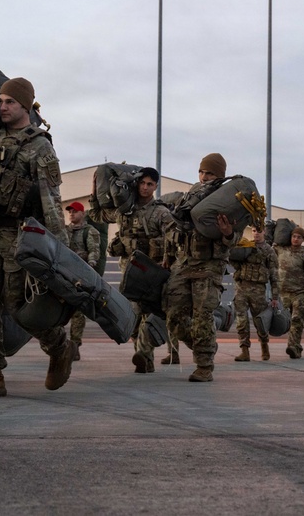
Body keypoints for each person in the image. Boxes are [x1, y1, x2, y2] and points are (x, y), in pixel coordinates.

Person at [0, 77, 74, 398]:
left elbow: (51, 202)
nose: (3, 107)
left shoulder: (40, 147)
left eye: (10, 102)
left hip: (17, 236)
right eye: (1, 101)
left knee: (17, 305)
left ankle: (59, 346)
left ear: (26, 107)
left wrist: (62, 256)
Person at [162, 153, 241, 382]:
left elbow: (233, 239)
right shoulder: (192, 195)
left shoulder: (226, 200)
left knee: (202, 316)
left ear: (220, 176)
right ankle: (202, 345)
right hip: (184, 262)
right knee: (173, 315)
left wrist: (228, 234)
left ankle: (204, 365)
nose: (204, 177)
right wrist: (168, 255)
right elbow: (174, 226)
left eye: (210, 173)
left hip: (208, 266)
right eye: (202, 171)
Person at [88, 166, 171, 374]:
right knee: (133, 316)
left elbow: (173, 238)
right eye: (142, 183)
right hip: (130, 271)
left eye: (149, 184)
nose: (145, 187)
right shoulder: (125, 209)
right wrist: (95, 187)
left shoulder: (161, 212)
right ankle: (145, 359)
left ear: (156, 187)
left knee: (149, 315)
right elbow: (97, 215)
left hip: (152, 272)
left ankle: (143, 354)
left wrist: (167, 261)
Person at [229, 226, 280, 361]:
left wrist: (275, 297)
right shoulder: (245, 247)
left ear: (264, 232)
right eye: (253, 231)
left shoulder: (269, 251)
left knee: (260, 321)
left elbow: (274, 274)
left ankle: (264, 346)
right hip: (241, 287)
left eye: (259, 231)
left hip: (258, 290)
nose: (256, 233)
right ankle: (244, 350)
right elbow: (232, 259)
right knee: (241, 320)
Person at [275, 226, 304, 359]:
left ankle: (293, 347)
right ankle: (296, 346)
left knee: (296, 319)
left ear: (303, 240)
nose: (296, 239)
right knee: (287, 320)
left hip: (299, 292)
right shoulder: (280, 250)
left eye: (299, 237)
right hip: (283, 292)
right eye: (294, 236)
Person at [64, 201, 100, 361]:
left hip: (80, 275)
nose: (71, 214)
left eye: (75, 211)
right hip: (63, 275)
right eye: (70, 211)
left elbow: (94, 251)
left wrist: (90, 265)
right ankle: (61, 346)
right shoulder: (64, 231)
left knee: (78, 312)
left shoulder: (89, 231)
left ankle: (74, 345)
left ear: (82, 213)